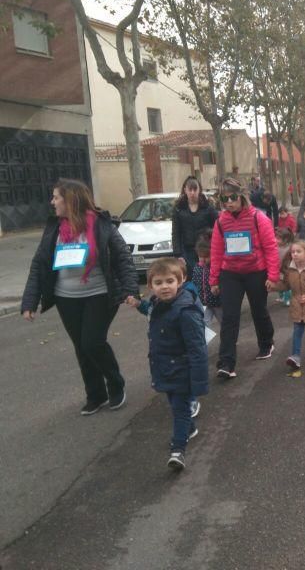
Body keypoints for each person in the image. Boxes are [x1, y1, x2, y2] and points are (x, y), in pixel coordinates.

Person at [21, 179, 139, 416]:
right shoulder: (54, 228)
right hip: (66, 297)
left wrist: (130, 290)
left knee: (92, 342)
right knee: (81, 347)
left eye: (56, 197)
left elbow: (122, 258)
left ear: (71, 200)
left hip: (99, 294)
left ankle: (115, 383)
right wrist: (29, 302)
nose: (52, 202)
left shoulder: (102, 226)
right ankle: (96, 395)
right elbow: (39, 265)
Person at [126, 258, 208, 470]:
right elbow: (152, 311)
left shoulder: (186, 311)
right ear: (150, 286)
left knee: (180, 408)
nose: (165, 287)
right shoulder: (156, 303)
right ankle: (189, 428)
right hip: (164, 366)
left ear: (181, 280)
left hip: (182, 369)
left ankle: (178, 449)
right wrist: (138, 305)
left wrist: (199, 382)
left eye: (170, 281)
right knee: (174, 404)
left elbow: (197, 348)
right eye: (159, 282)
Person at [209, 178, 281, 378]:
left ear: (242, 197)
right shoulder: (220, 222)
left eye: (233, 197)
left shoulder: (259, 218)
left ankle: (266, 343)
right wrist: (214, 279)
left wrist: (273, 275)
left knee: (259, 311)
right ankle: (226, 363)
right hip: (230, 274)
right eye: (225, 199)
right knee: (230, 317)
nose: (229, 202)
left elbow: (270, 248)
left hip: (255, 272)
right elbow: (216, 252)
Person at [271, 239, 305, 378]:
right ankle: (295, 356)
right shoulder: (290, 270)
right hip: (297, 306)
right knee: (297, 331)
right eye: (293, 252)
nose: (295, 254)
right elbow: (286, 285)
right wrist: (274, 286)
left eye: (298, 251)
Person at [172, 176, 218, 279]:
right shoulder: (179, 208)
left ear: (199, 190)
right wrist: (178, 254)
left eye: (195, 189)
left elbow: (218, 227)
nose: (192, 193)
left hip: (205, 250)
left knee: (205, 279)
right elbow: (176, 232)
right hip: (186, 251)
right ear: (185, 190)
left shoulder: (208, 207)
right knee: (189, 280)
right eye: (190, 189)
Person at [192, 231, 223, 328]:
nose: (202, 259)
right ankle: (203, 342)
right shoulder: (197, 267)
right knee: (203, 324)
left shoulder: (218, 267)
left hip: (218, 303)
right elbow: (194, 282)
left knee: (225, 323)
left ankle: (230, 341)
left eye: (206, 257)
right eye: (200, 256)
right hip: (203, 303)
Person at [275, 227, 294, 307]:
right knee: (278, 283)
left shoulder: (290, 248)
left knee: (286, 285)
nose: (276, 240)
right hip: (277, 269)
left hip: (286, 270)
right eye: (275, 237)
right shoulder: (274, 247)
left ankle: (287, 299)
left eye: (278, 238)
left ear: (286, 240)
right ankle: (281, 296)